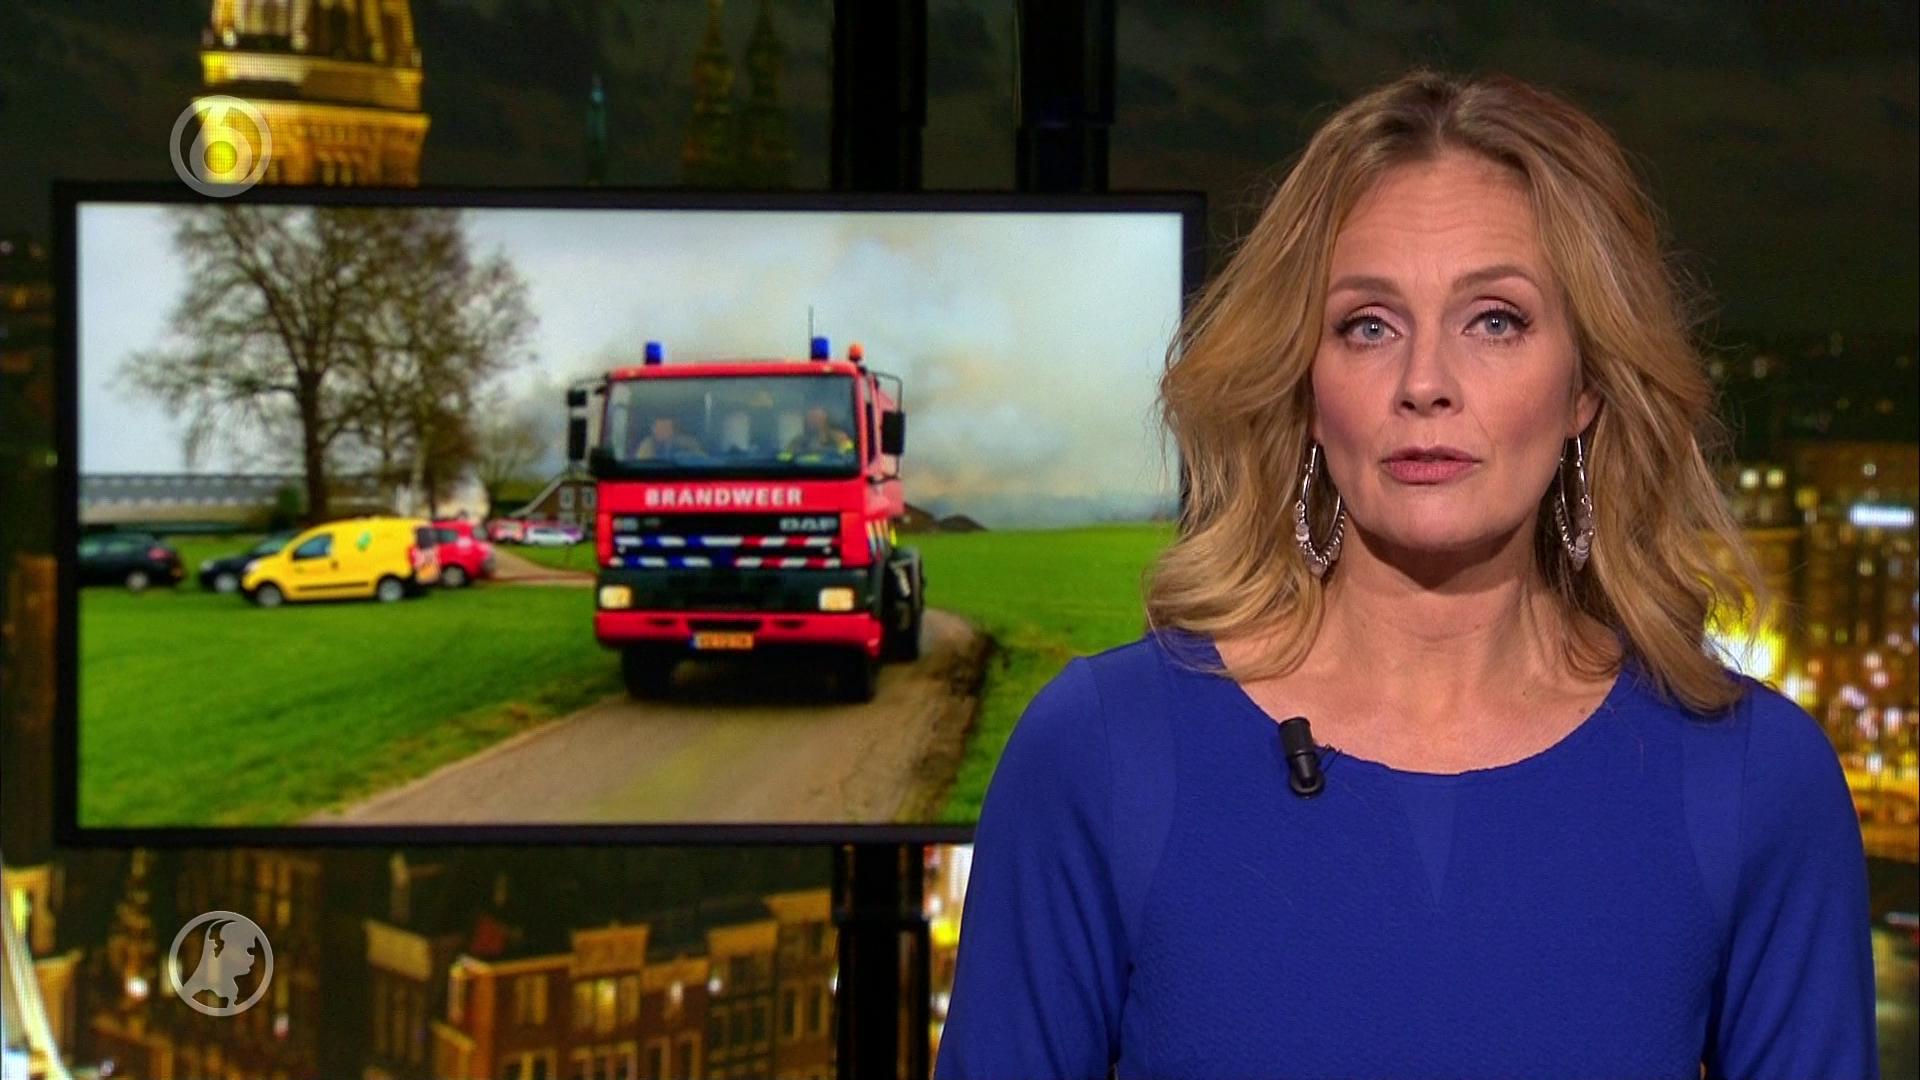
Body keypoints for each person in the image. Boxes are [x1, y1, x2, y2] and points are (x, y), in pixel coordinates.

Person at [934, 71, 1877, 1080]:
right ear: (1305, 387)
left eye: (1496, 320)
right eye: (1368, 325)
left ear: (1587, 385)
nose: (1425, 383)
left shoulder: (1753, 779)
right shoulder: (1098, 753)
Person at [782, 405, 854, 457]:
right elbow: (784, 459)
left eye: (816, 417)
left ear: (826, 419)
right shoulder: (797, 442)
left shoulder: (839, 438)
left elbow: (848, 456)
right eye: (810, 417)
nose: (812, 421)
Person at [629, 415, 704, 460]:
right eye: (657, 427)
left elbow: (702, 461)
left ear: (673, 428)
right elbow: (641, 466)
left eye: (665, 427)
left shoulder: (688, 443)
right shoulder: (647, 445)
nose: (659, 430)